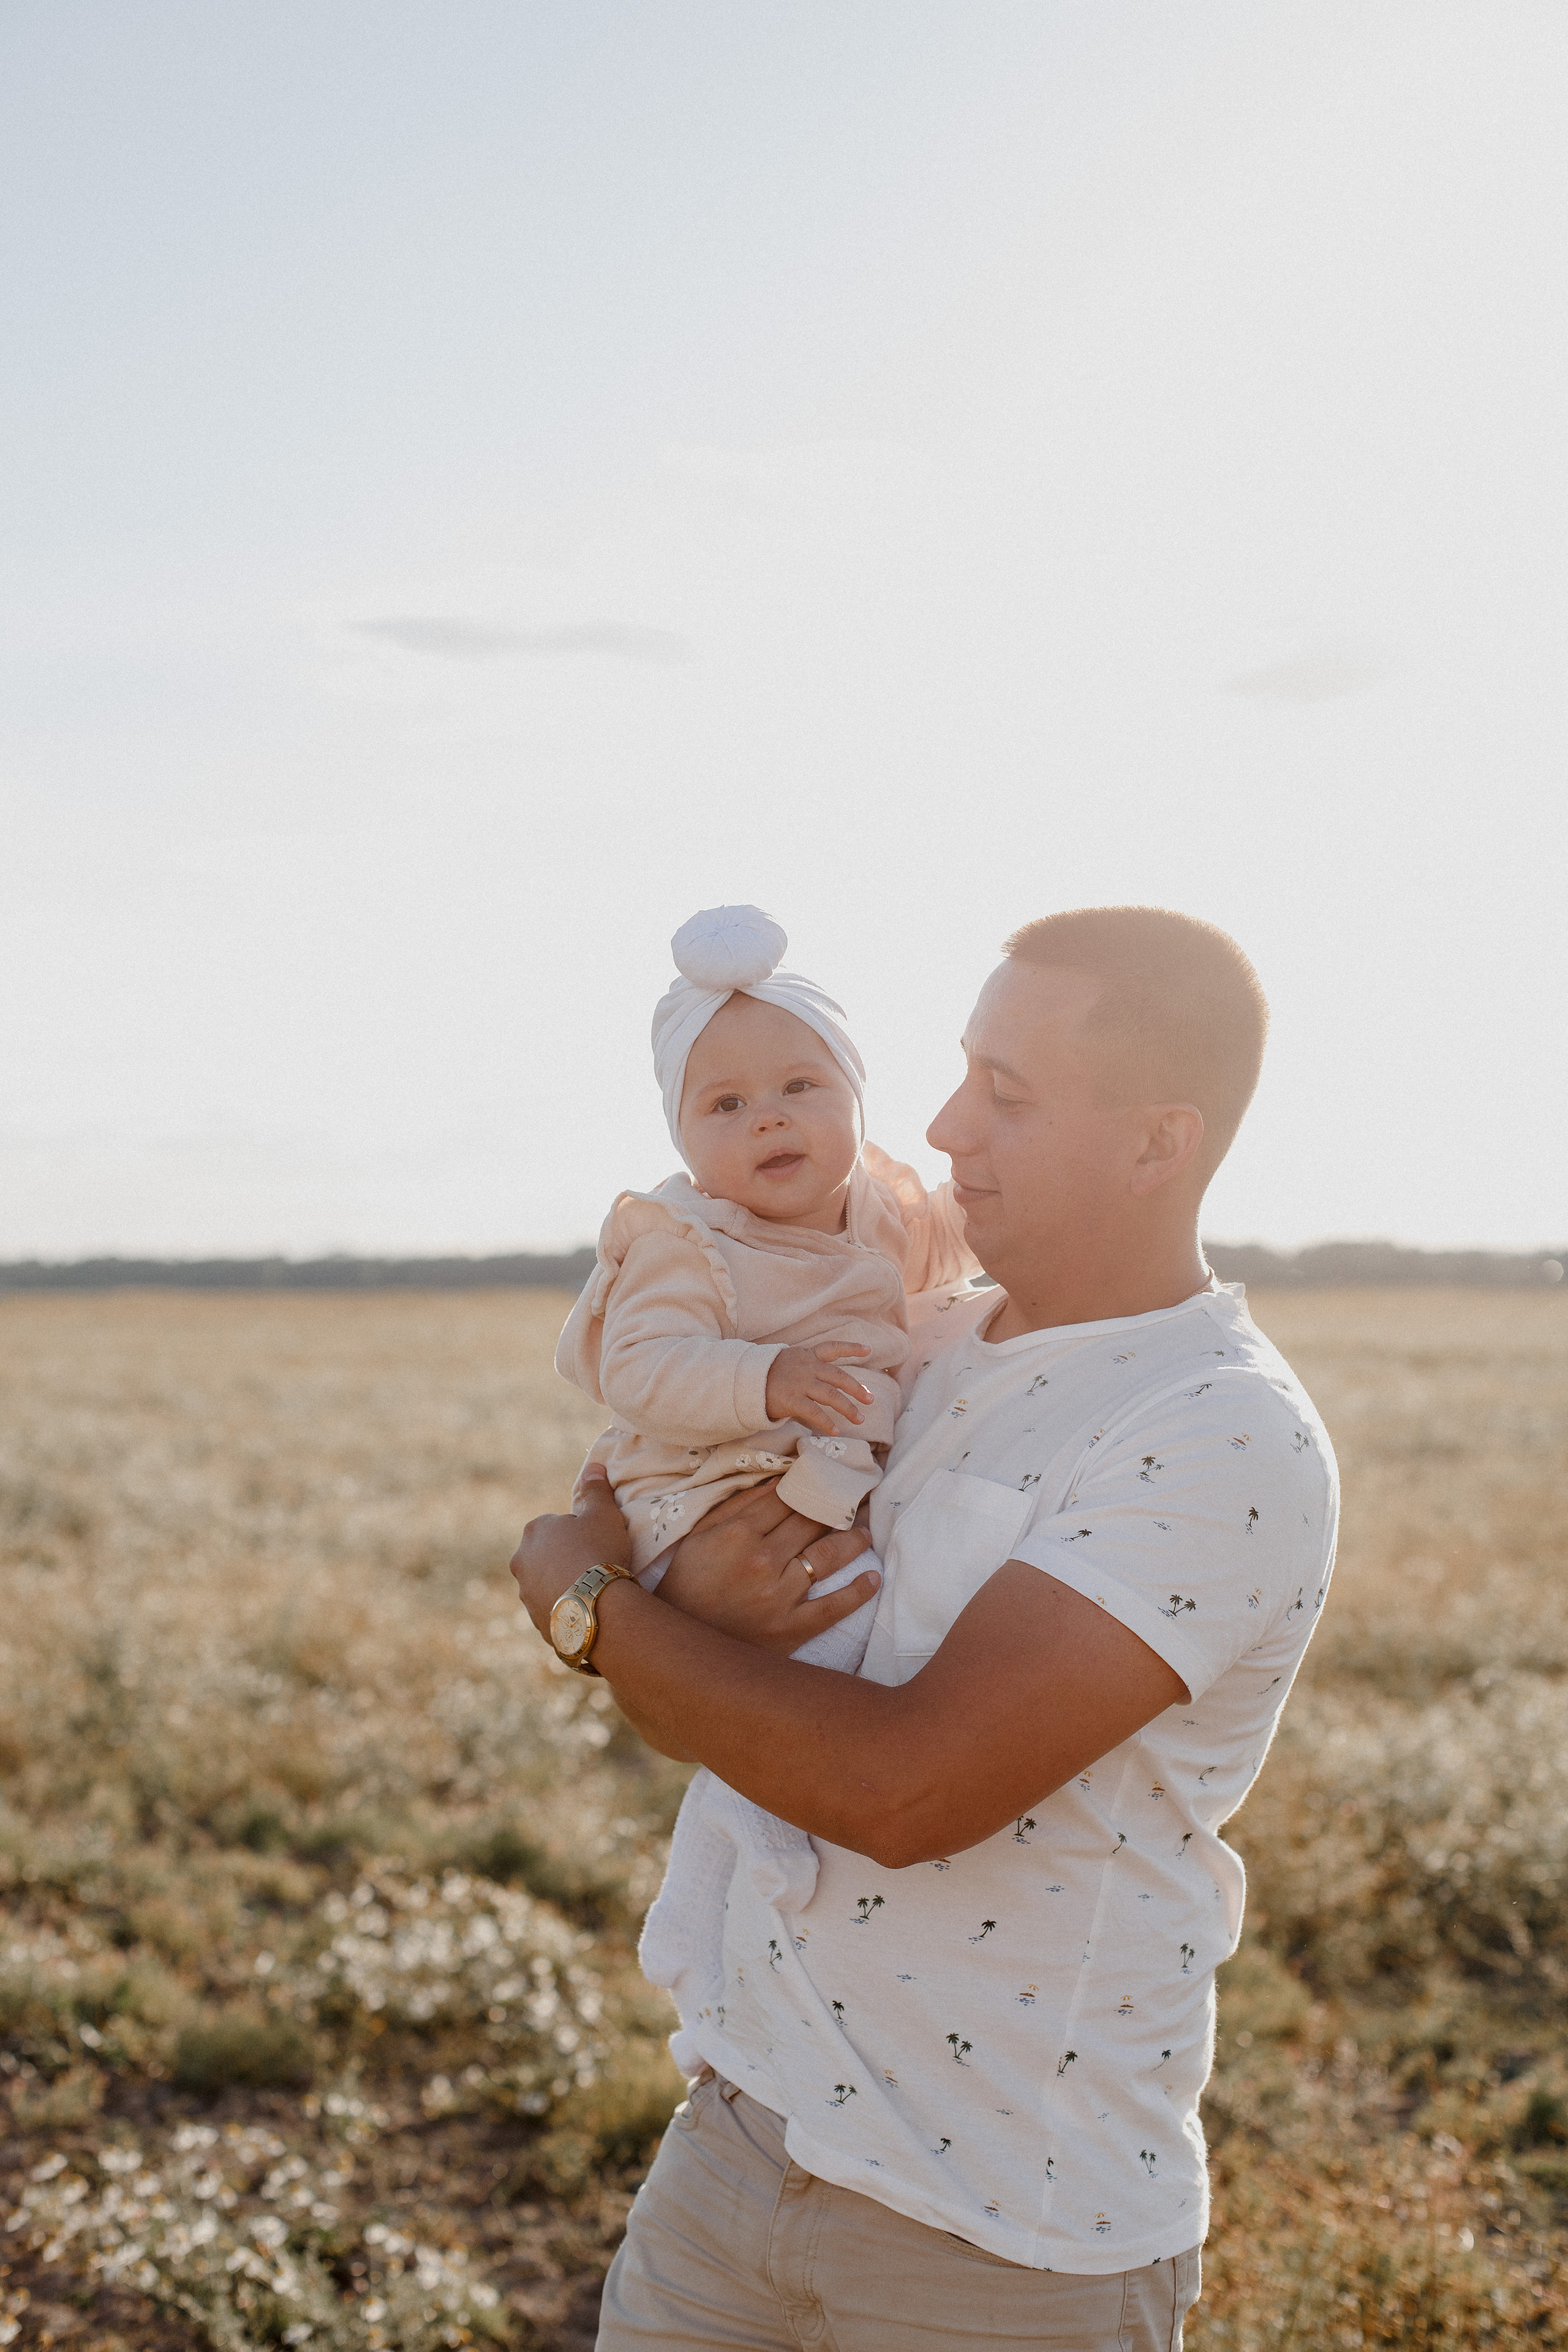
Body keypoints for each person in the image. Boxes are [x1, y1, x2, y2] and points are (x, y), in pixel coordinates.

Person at [514, 905, 1338, 2352]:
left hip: (1000, 2239)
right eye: (959, 1072)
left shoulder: (1214, 1432)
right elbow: (680, 1608)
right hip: (740, 2139)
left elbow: (902, 1790)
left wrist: (589, 1614)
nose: (945, 1124)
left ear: (1156, 1143)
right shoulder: (913, 1347)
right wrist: (676, 1607)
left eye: (1005, 1095)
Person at [555, 901, 979, 2070]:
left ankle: (762, 1884)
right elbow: (641, 1369)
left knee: (836, 1656)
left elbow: (957, 1250)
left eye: (801, 1087)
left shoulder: (882, 1209)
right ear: (684, 1135)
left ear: (853, 1099)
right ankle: (719, 1921)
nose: (769, 1120)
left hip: (811, 1478)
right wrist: (766, 1377)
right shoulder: (685, 1239)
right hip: (701, 1490)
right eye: (725, 1104)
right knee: (777, 1688)